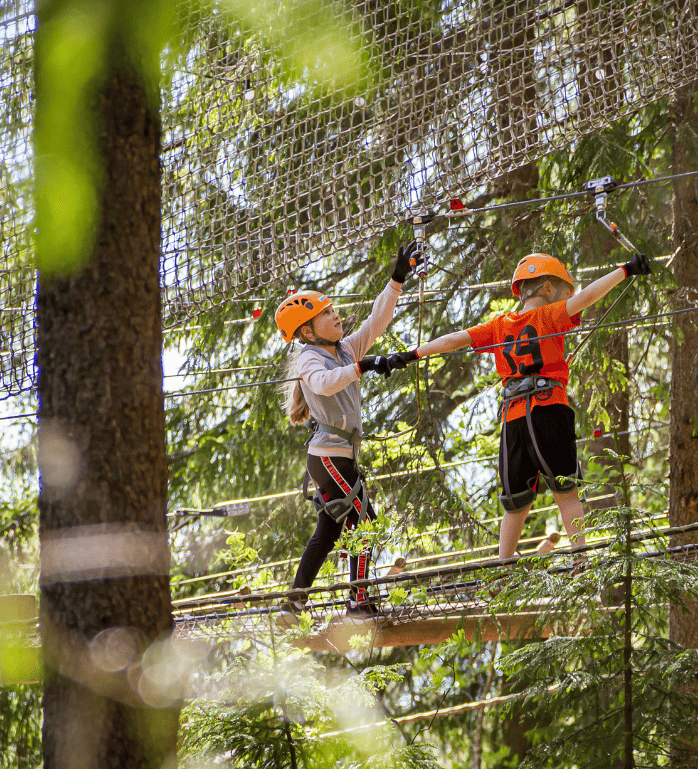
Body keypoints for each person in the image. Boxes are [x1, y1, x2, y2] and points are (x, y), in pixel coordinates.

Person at [387, 252, 651, 561]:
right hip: (548, 408)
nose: (569, 297)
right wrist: (625, 269)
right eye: (567, 291)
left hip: (513, 418)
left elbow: (453, 340)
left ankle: (504, 565)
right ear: (550, 289)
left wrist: (414, 353)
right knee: (566, 492)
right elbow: (589, 296)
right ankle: (580, 556)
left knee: (516, 503)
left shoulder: (499, 326)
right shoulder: (550, 315)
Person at [275, 241, 420, 621]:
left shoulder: (342, 349)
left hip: (338, 456)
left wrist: (397, 280)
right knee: (365, 521)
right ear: (306, 332)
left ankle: (294, 602)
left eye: (334, 310)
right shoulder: (310, 357)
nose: (336, 317)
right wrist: (363, 367)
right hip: (329, 456)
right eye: (327, 314)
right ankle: (357, 601)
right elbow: (323, 384)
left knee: (329, 532)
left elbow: (377, 322)